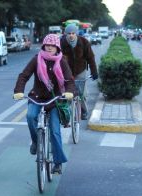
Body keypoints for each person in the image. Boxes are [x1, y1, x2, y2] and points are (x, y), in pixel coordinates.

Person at [13, 34, 75, 174]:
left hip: (55, 100)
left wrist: (69, 91)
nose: (50, 47)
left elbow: (69, 80)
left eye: (52, 45)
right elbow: (24, 76)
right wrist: (19, 91)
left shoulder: (62, 61)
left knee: (54, 130)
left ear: (57, 47)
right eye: (47, 45)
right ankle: (36, 142)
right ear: (43, 46)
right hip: (37, 97)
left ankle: (58, 163)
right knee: (30, 116)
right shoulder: (37, 59)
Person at [60, 24, 98, 120]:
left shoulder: (84, 42)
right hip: (66, 71)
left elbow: (91, 58)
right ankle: (65, 112)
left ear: (76, 33)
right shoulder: (61, 42)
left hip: (80, 71)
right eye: (69, 33)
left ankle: (84, 111)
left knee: (81, 93)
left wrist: (94, 71)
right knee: (65, 92)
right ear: (65, 34)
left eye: (73, 33)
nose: (71, 35)